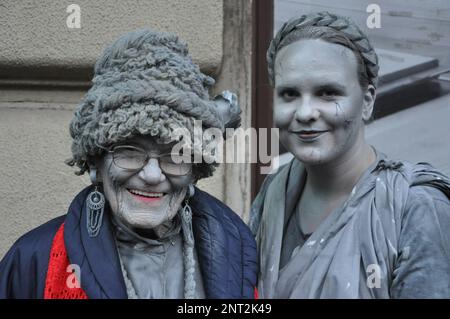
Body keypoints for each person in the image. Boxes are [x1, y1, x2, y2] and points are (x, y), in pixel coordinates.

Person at [0, 29, 257, 299]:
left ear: (195, 170)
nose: (152, 174)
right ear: (96, 162)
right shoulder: (33, 260)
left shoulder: (235, 254)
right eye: (130, 153)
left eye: (174, 156)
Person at [250, 12, 450, 298]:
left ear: (367, 101)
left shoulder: (417, 210)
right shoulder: (275, 190)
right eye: (290, 94)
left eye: (328, 93)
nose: (306, 113)